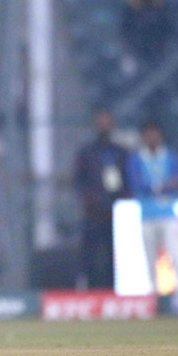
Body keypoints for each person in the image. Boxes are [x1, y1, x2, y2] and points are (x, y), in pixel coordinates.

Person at [126, 120, 178, 306]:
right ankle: (153, 296)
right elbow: (136, 184)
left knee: (176, 255)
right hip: (147, 215)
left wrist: (155, 187)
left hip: (168, 214)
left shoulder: (170, 156)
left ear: (160, 135)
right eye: (148, 134)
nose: (152, 137)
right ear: (143, 137)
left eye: (155, 133)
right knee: (150, 258)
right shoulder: (136, 159)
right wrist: (162, 186)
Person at [73, 109, 129, 289]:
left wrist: (122, 200)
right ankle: (89, 289)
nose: (104, 125)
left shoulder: (120, 152)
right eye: (101, 121)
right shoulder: (87, 152)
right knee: (90, 253)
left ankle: (114, 289)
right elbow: (78, 179)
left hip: (116, 211)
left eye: (107, 121)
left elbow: (127, 179)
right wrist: (89, 197)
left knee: (115, 254)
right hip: (93, 211)